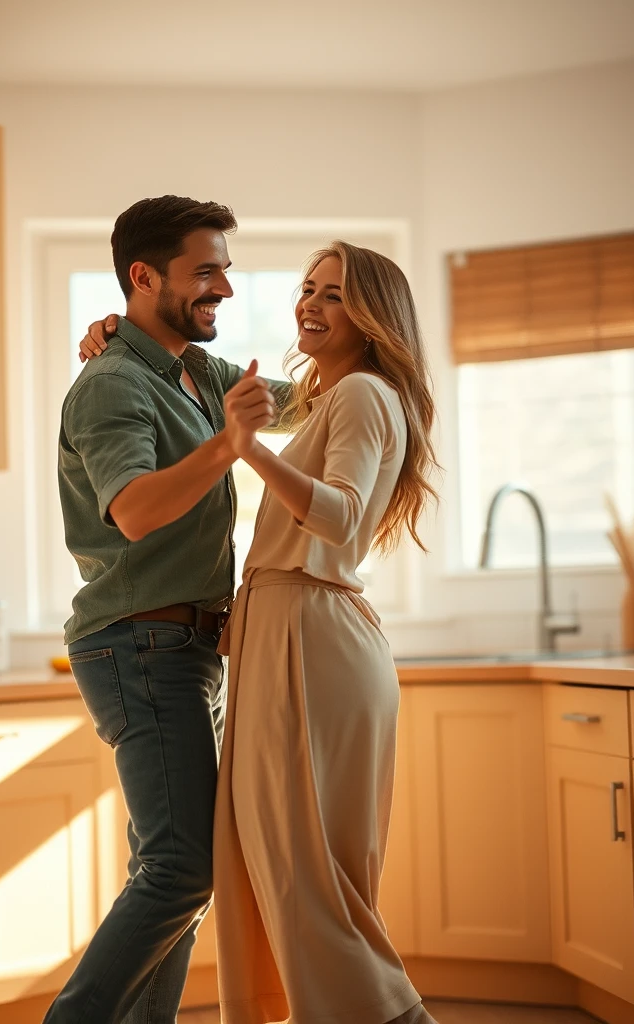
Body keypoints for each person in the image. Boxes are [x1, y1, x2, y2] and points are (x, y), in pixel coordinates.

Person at [46, 194, 284, 1024]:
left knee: (174, 869)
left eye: (226, 267)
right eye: (206, 270)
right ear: (144, 276)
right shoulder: (112, 383)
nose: (225, 285)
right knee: (185, 869)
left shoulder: (191, 369)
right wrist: (229, 445)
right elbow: (137, 509)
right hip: (139, 646)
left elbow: (303, 402)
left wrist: (360, 351)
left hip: (179, 649)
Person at [213, 241, 440, 1023]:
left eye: (333, 295)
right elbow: (208, 380)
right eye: (306, 289)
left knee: (304, 873)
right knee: (298, 868)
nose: (309, 303)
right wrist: (117, 332)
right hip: (297, 633)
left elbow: (339, 515)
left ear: (372, 314)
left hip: (309, 638)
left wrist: (248, 453)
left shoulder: (363, 395)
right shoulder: (334, 394)